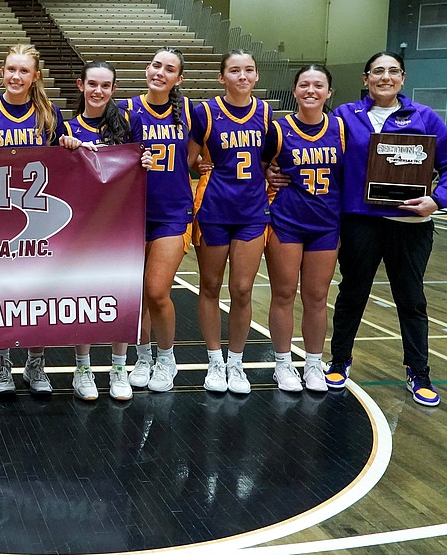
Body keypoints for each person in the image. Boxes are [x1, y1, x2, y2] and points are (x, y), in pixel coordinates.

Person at [324, 52, 447, 406]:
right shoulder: (343, 117)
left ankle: (419, 371)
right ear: (366, 78)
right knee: (352, 293)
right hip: (360, 221)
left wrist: (437, 200)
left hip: (411, 224)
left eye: (393, 71)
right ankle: (339, 361)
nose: (385, 77)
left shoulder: (425, 117)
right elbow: (320, 157)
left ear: (403, 78)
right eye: (378, 71)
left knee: (411, 299)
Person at [0, 44, 62, 396]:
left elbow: (65, 167)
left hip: (40, 220)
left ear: (35, 77)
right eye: (10, 69)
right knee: (0, 293)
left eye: (23, 71)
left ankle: (35, 362)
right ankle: (1, 362)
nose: (16, 77)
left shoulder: (49, 114)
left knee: (38, 292)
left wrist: (71, 146)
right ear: (2, 71)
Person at [187, 50, 270, 396]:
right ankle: (214, 360)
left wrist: (276, 176)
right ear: (222, 77)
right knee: (210, 286)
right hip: (213, 209)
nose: (242, 76)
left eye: (248, 70)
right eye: (234, 70)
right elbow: (189, 160)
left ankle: (236, 361)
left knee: (242, 289)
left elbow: (270, 159)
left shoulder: (265, 113)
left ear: (256, 76)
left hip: (252, 211)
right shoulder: (204, 112)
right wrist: (199, 167)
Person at [58, 60, 142, 401]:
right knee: (84, 296)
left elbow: (141, 160)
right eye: (92, 84)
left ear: (114, 89)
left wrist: (145, 162)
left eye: (105, 86)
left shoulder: (128, 122)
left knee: (120, 291)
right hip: (82, 225)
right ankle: (83, 368)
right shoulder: (65, 128)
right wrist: (66, 149)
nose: (98, 91)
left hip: (121, 222)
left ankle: (119, 367)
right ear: (80, 85)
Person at [262, 64, 344, 393]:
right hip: (287, 221)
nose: (311, 90)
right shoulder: (278, 129)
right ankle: (282, 364)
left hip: (325, 224)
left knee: (317, 297)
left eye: (318, 85)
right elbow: (259, 167)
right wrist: (269, 175)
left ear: (328, 93)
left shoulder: (341, 128)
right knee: (283, 294)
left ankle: (312, 363)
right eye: (304, 85)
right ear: (295, 90)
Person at [122, 48, 193, 393]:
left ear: (178, 79)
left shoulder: (192, 113)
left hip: (173, 214)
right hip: (132, 214)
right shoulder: (125, 111)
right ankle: (143, 355)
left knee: (156, 290)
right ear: (146, 69)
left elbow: (203, 155)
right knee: (136, 294)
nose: (160, 72)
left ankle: (167, 358)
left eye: (169, 69)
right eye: (155, 65)